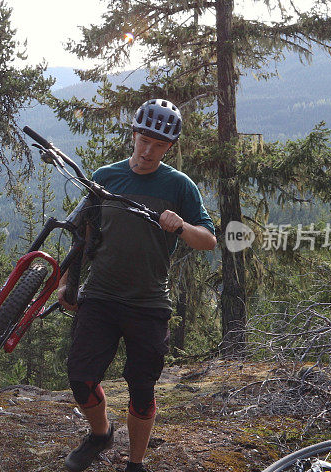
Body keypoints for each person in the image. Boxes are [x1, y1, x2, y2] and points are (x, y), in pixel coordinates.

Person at [58, 99, 217, 472]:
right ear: (133, 134)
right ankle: (101, 436)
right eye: (143, 140)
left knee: (142, 389)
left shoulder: (180, 186)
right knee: (81, 378)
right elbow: (84, 234)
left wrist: (180, 226)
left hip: (148, 302)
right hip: (100, 295)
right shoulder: (106, 176)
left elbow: (208, 240)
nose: (147, 151)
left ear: (169, 148)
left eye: (158, 145)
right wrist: (68, 280)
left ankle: (136, 463)